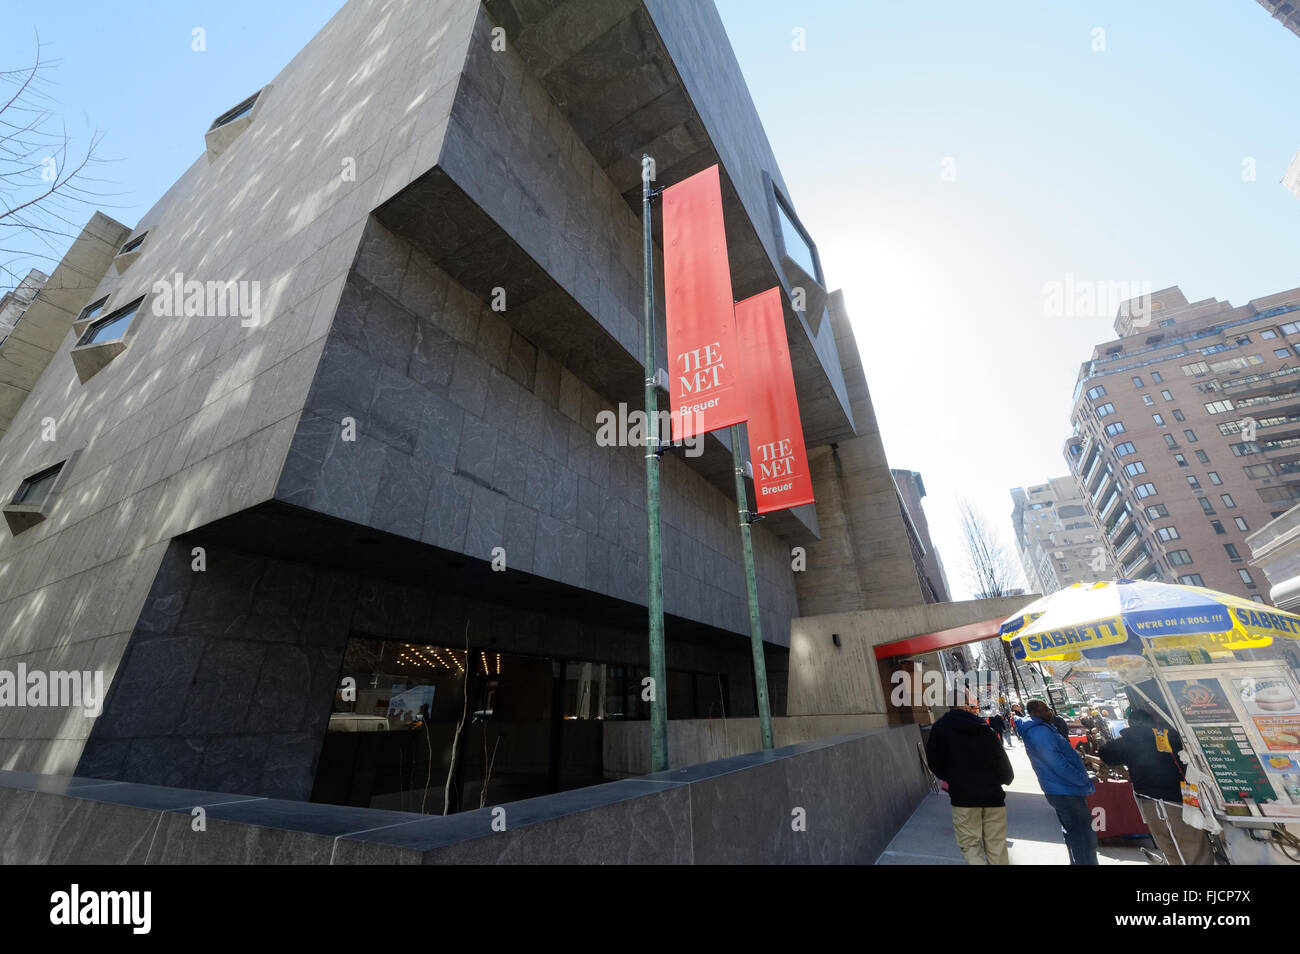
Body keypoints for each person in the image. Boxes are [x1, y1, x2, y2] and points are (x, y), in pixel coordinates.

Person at [1099, 709, 1214, 865]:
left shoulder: (1128, 742)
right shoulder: (1170, 735)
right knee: (1196, 853)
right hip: (1182, 801)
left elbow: (1105, 752)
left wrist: (1128, 733)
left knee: (1172, 853)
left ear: (1131, 723)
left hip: (1151, 807)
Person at [926, 691, 1015, 864]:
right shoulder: (983, 727)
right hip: (992, 796)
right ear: (967, 703)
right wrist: (1003, 779)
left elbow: (934, 761)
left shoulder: (940, 728)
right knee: (997, 845)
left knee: (970, 846)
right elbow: (1000, 758)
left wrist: (953, 778)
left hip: (963, 797)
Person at [1015, 699, 1098, 865]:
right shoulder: (1039, 732)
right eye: (1045, 709)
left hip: (1063, 788)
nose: (1050, 711)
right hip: (1065, 789)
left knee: (1076, 833)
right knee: (1082, 835)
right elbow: (1056, 763)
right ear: (1035, 712)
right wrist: (1081, 779)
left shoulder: (1042, 729)